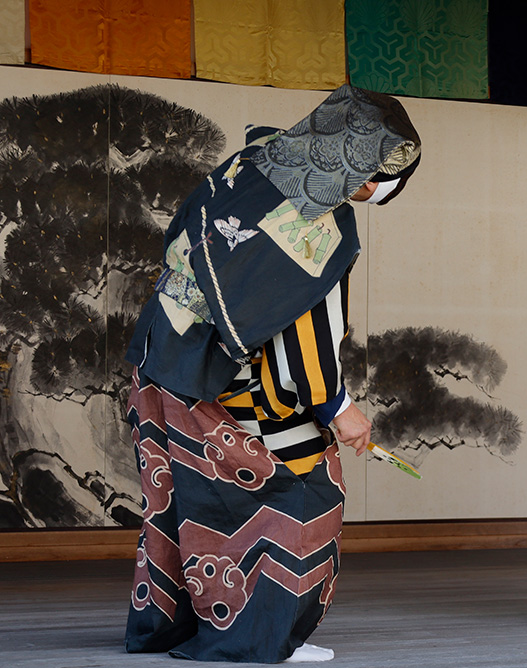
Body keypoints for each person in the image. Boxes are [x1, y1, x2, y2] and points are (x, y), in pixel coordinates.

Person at [123, 85, 421, 662]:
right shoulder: (322, 226)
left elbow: (181, 238)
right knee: (306, 487)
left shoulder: (245, 167)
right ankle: (259, 638)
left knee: (175, 499)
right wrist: (340, 410)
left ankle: (170, 628)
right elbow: (305, 341)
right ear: (367, 175)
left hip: (158, 356)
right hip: (218, 384)